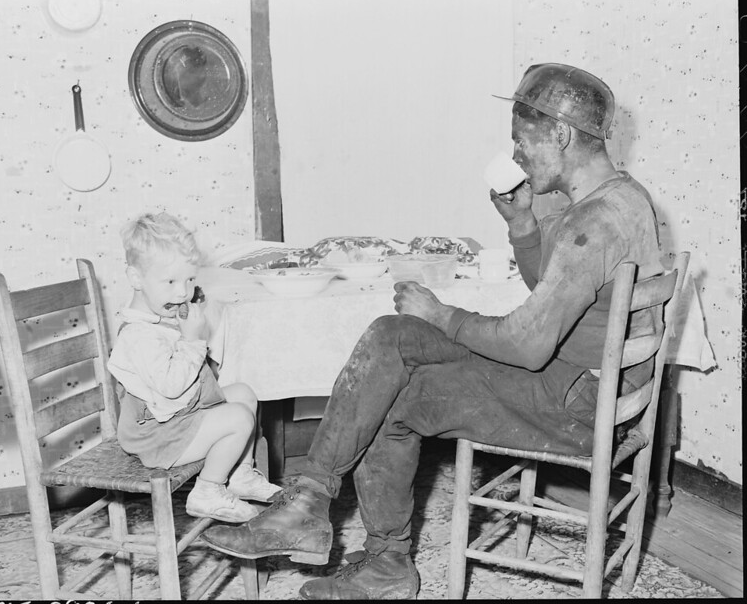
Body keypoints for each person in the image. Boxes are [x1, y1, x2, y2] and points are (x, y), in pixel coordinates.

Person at [201, 63, 665, 599]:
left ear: (560, 133)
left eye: (521, 140)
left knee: (395, 403)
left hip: (578, 401)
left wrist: (443, 314)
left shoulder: (593, 221)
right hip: (585, 378)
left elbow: (530, 344)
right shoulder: (622, 199)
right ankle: (309, 500)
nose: (515, 155)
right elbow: (560, 295)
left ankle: (387, 564)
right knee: (394, 332)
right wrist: (521, 226)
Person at [107, 212, 281, 523]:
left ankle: (239, 474)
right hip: (156, 436)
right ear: (135, 278)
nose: (182, 292)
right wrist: (192, 341)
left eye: (189, 279)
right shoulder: (137, 335)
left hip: (176, 418)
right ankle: (207, 491)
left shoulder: (157, 317)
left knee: (244, 394)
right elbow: (173, 385)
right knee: (238, 418)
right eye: (170, 281)